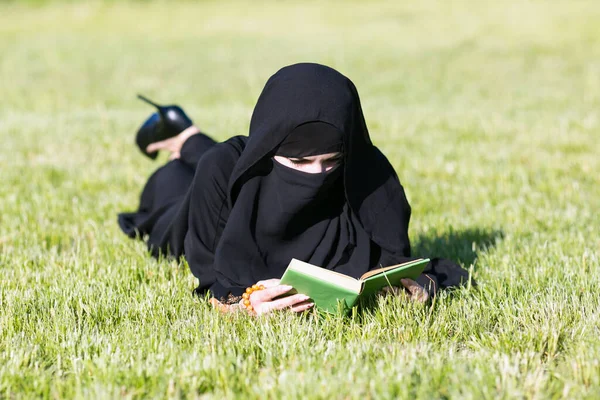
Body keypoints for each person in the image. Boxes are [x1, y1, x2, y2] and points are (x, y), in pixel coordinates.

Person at [119, 63, 469, 315]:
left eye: (331, 162)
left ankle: (187, 136)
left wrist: (416, 287)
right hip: (187, 207)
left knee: (231, 160)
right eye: (299, 164)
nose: (317, 175)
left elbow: (398, 260)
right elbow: (212, 283)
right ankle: (184, 138)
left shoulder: (367, 170)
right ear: (268, 150)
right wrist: (241, 305)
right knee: (179, 187)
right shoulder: (221, 170)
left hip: (238, 163)